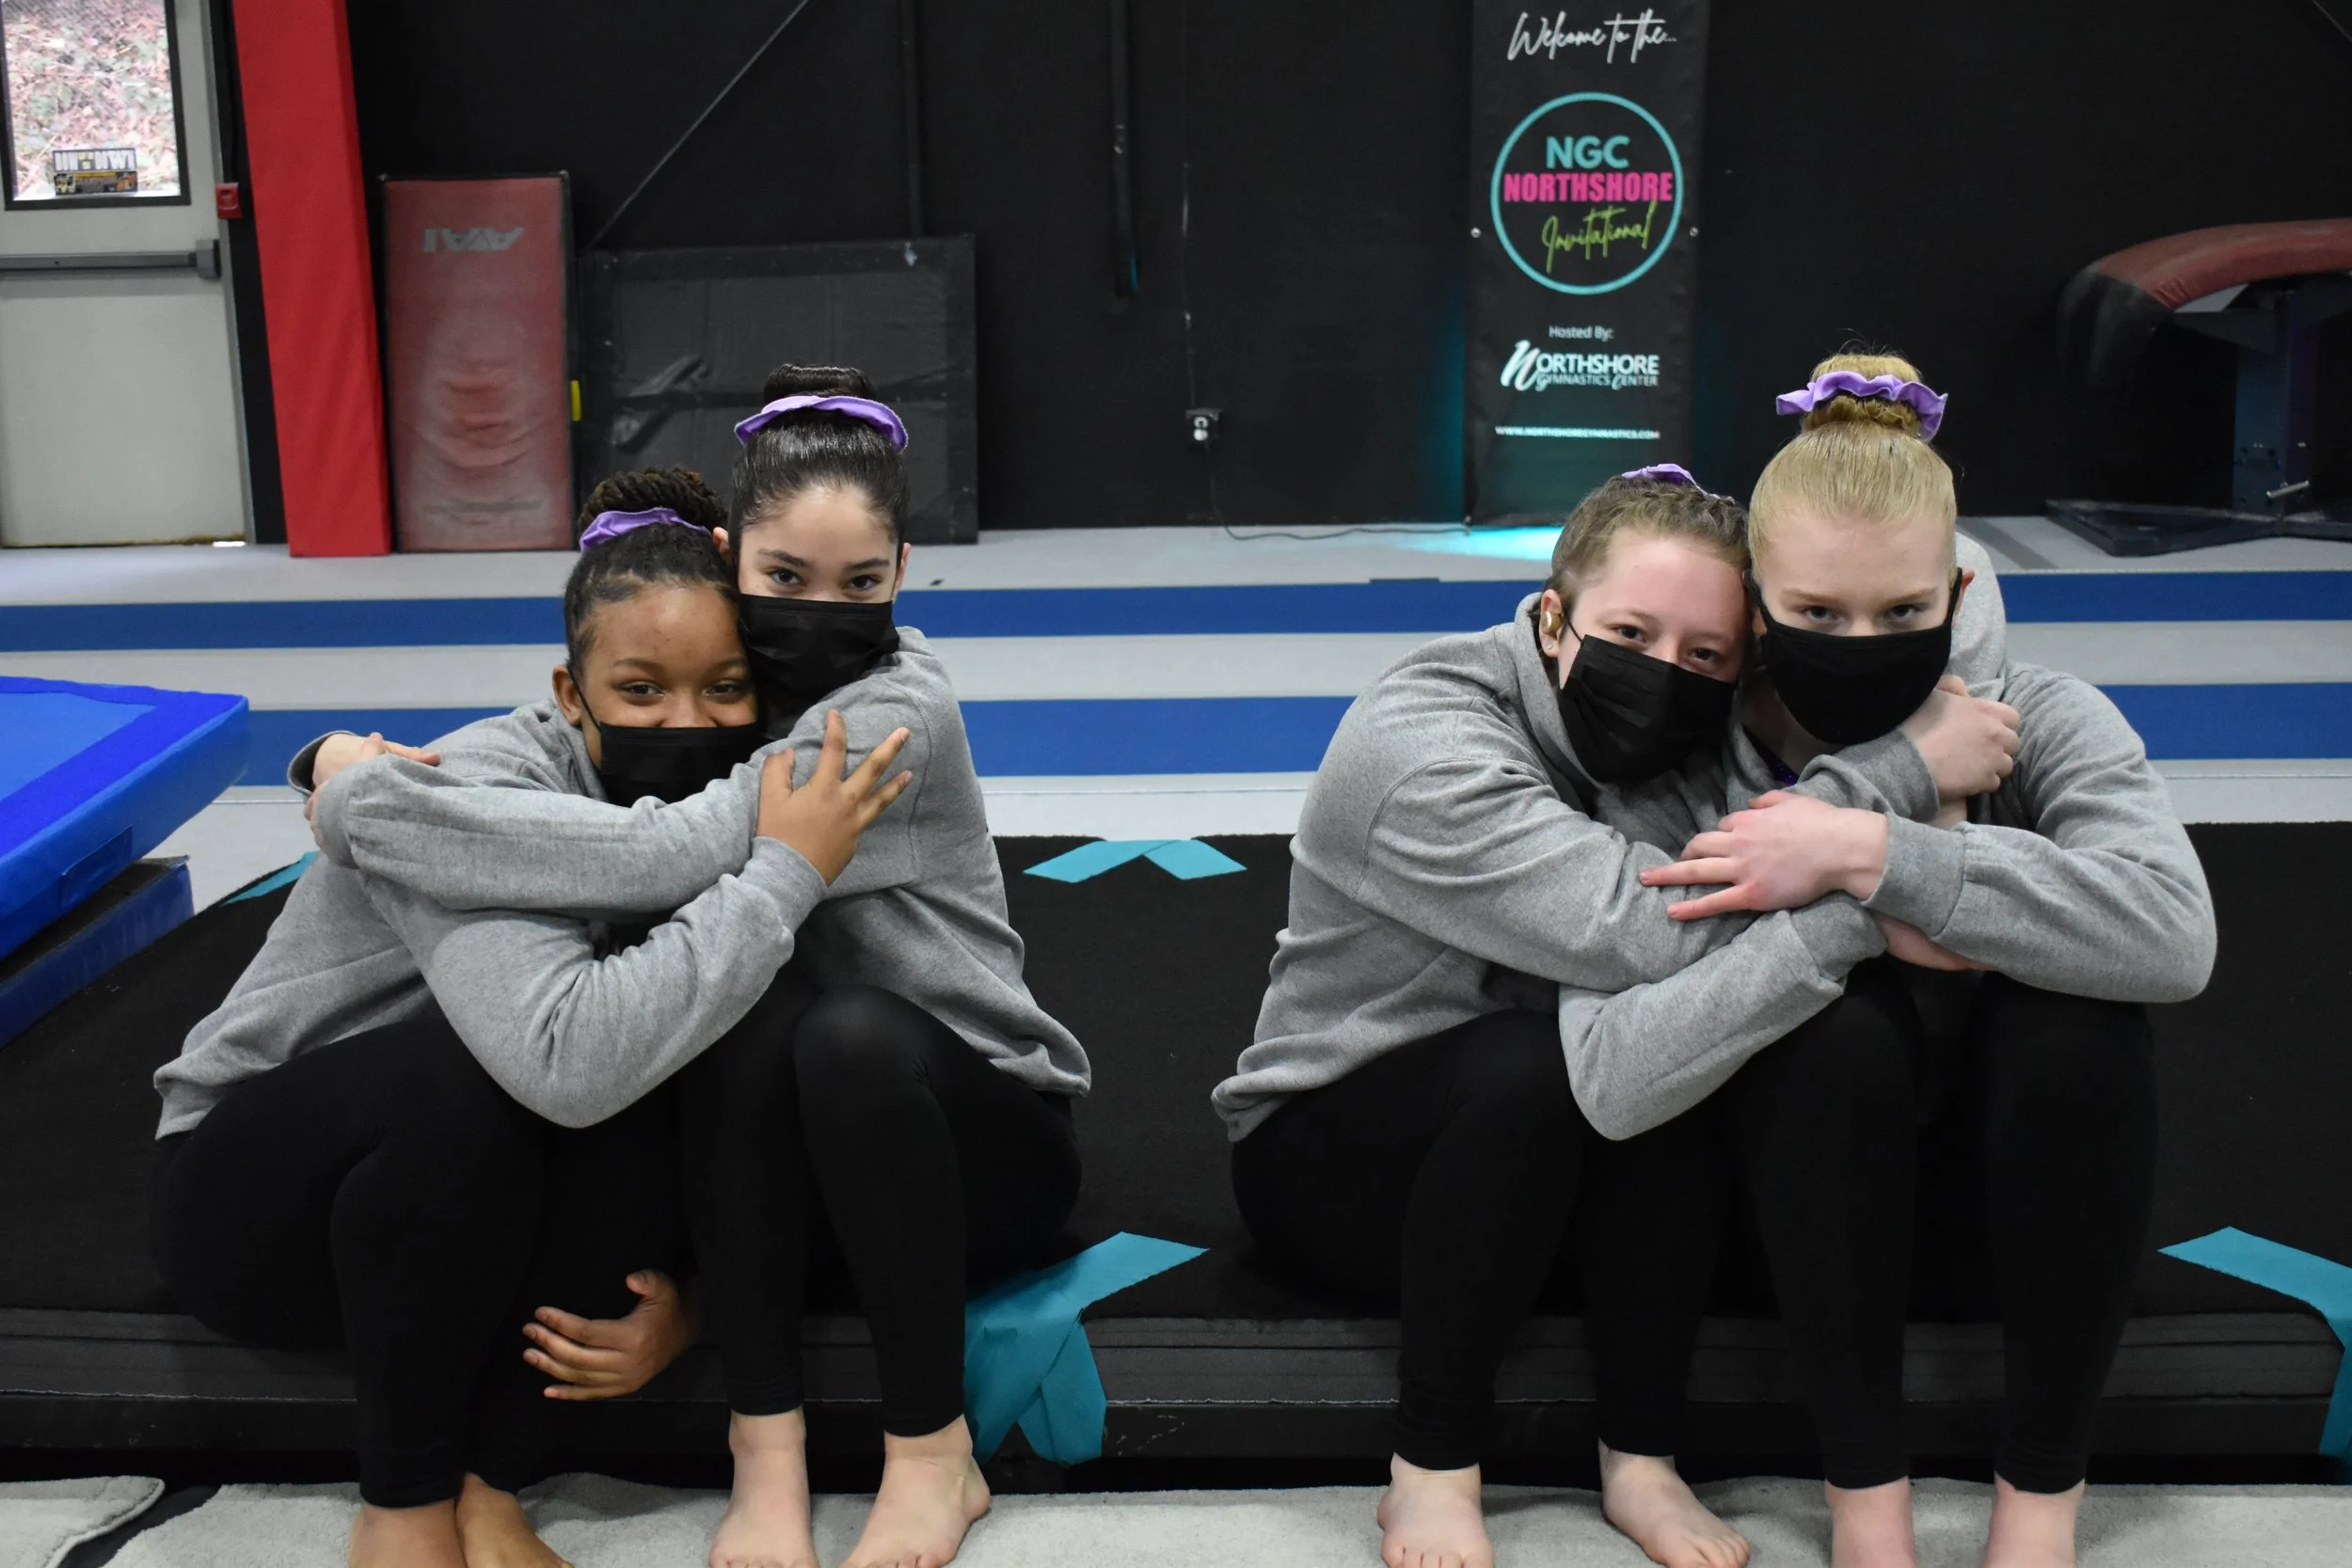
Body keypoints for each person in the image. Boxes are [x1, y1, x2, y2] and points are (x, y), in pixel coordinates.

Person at [305, 375, 1087, 1568]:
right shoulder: (730, 688)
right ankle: (760, 1458)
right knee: (723, 1011)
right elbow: (563, 768)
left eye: (859, 584)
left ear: (901, 572)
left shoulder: (887, 719)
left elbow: (665, 851)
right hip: (799, 1154)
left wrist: (349, 790)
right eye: (786, 578)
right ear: (732, 560)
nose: (819, 612)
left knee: (836, 1030)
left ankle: (932, 1452)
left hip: (958, 1130)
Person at [1214, 465, 2022, 1568]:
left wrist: (1845, 840)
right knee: (1541, 1064)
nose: (1664, 671)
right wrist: (1889, 825)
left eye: (1704, 655)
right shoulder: (1420, 745)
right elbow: (1644, 928)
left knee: (1677, 1047)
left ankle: (1641, 1458)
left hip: (1557, 1165)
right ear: (1554, 620)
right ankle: (1431, 1468)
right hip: (1342, 1156)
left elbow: (1713, 946)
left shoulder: (1671, 750)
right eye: (1631, 633)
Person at [151, 509, 908, 1568]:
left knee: (719, 1039)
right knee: (478, 1074)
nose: (685, 719)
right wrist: (783, 871)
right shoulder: (479, 788)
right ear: (570, 692)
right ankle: (406, 1505)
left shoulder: (745, 791)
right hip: (268, 1209)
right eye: (640, 689)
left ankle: (489, 1481)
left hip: (475, 1227)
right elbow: (567, 1066)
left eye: (724, 688)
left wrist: (694, 1306)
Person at [1608, 354, 2215, 1568]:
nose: (1860, 644)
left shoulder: (2047, 718)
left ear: (1958, 590)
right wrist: (1862, 908)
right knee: (1827, 1036)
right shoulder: (1689, 758)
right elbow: (1632, 1050)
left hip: (2020, 1219)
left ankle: (2037, 1511)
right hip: (1790, 1225)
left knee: (2078, 1032)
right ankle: (1867, 1516)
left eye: (1899, 613)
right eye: (1818, 615)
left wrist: (1865, 851)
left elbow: (2173, 931)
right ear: (1757, 605)